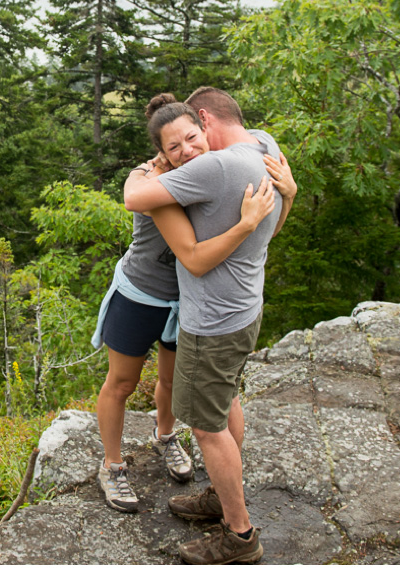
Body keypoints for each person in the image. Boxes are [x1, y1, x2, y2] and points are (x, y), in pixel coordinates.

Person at [123, 86, 296, 565]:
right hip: (246, 309)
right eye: (174, 146)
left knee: (205, 426)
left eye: (192, 138)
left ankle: (239, 536)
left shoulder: (214, 168)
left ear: (204, 121)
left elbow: (136, 199)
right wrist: (291, 195)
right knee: (227, 398)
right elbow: (270, 225)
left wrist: (146, 168)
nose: (189, 150)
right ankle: (221, 498)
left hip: (213, 320)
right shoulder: (264, 145)